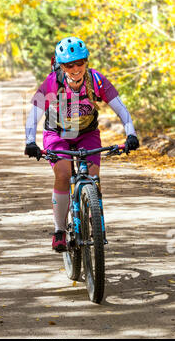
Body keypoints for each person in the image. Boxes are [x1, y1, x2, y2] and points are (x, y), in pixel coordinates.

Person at [24, 36, 139, 252]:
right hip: (57, 134)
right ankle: (59, 230)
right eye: (69, 64)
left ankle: (94, 217)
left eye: (80, 62)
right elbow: (33, 116)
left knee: (93, 177)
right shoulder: (52, 82)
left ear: (86, 61)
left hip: (87, 133)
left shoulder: (96, 80)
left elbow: (122, 109)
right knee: (64, 174)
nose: (75, 68)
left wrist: (130, 134)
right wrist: (30, 141)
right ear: (61, 65)